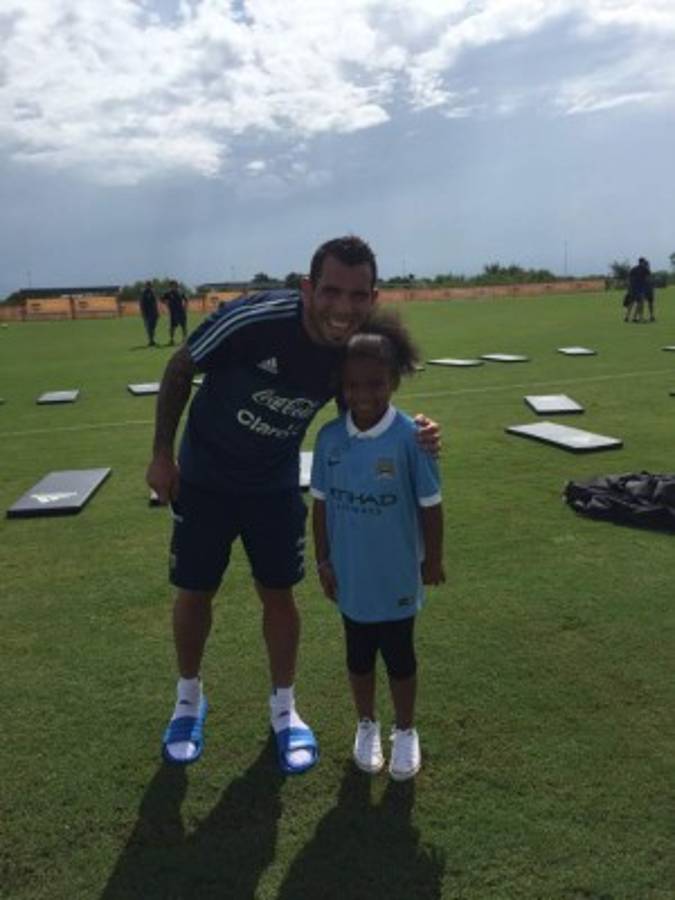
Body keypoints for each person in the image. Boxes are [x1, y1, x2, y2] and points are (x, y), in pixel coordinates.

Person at [145, 235, 441, 774]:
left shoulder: (355, 344)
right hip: (206, 477)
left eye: (357, 296)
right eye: (331, 291)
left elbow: (373, 395)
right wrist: (163, 454)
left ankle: (284, 708)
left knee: (279, 594)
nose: (343, 308)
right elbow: (180, 367)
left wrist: (418, 430)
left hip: (273, 484)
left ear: (372, 297)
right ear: (308, 289)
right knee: (195, 589)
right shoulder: (255, 321)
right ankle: (189, 698)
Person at [311, 322, 445, 781]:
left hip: (398, 576)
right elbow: (320, 506)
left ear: (394, 380)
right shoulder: (329, 438)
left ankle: (405, 731)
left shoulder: (412, 437)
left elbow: (431, 505)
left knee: (401, 656)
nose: (364, 393)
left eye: (375, 383)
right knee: (358, 655)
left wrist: (434, 560)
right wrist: (323, 560)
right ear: (341, 387)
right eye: (353, 385)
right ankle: (367, 724)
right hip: (351, 576)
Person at [624, 257, 652, 323]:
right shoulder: (645, 269)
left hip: (632, 289)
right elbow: (648, 279)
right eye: (644, 262)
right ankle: (640, 318)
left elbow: (629, 279)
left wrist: (630, 287)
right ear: (642, 262)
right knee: (641, 303)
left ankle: (627, 317)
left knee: (631, 303)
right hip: (640, 289)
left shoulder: (633, 269)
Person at [161, 280, 189, 344]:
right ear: (170, 286)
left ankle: (184, 339)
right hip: (173, 313)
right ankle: (171, 340)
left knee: (184, 326)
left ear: (177, 285)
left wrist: (185, 307)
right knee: (172, 327)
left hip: (181, 312)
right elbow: (162, 300)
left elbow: (186, 300)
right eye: (172, 285)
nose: (173, 286)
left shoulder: (181, 292)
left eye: (175, 285)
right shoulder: (168, 293)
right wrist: (166, 304)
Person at [139, 280, 159, 346]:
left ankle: (152, 340)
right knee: (149, 327)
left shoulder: (153, 292)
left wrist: (157, 312)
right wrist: (142, 312)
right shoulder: (144, 293)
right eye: (148, 285)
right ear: (146, 286)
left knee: (153, 327)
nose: (149, 286)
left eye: (150, 285)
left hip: (154, 313)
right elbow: (141, 303)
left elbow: (155, 303)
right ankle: (151, 341)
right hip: (147, 313)